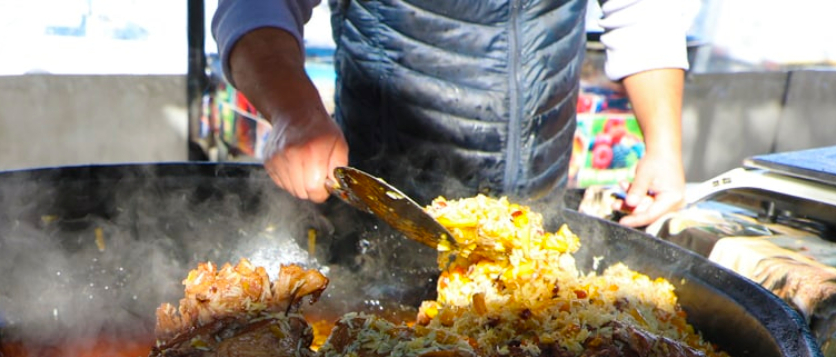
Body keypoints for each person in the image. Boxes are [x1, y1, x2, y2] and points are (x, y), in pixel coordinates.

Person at [212, 0, 690, 228]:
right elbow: (256, 6)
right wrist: (295, 114)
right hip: (386, 203)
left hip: (535, 194)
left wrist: (664, 145)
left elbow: (644, 8)